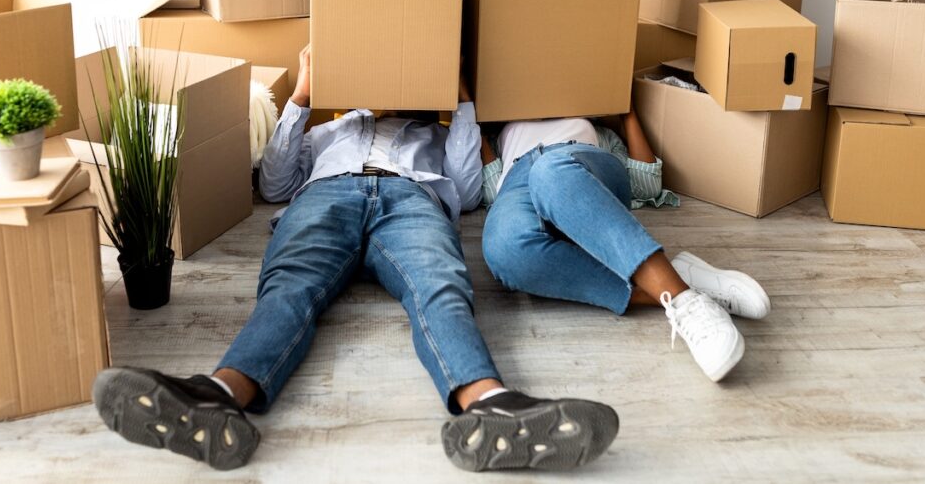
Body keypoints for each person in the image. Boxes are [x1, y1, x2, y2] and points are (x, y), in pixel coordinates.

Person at [93, 47, 618, 473]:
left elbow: (468, 189)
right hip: (327, 197)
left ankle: (488, 405)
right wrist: (304, 90)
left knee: (440, 287)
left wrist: (456, 93)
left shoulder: (434, 135)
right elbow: (275, 184)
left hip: (412, 200)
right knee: (289, 288)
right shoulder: (329, 131)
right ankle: (220, 395)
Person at [480, 111, 771, 383]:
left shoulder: (600, 130)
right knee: (503, 248)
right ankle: (673, 283)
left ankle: (686, 302)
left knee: (550, 171)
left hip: (579, 163)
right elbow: (490, 190)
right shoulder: (499, 130)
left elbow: (647, 186)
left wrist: (623, 106)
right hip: (516, 180)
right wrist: (471, 107)